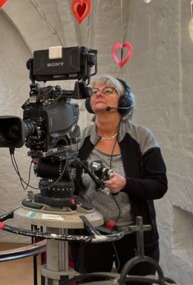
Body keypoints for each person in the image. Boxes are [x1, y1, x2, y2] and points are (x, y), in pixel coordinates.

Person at [72, 75, 168, 277]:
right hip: (92, 234)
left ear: (124, 102)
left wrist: (126, 184)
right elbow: (71, 184)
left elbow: (159, 185)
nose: (98, 93)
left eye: (108, 91)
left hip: (134, 235)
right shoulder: (80, 139)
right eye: (94, 90)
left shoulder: (142, 137)